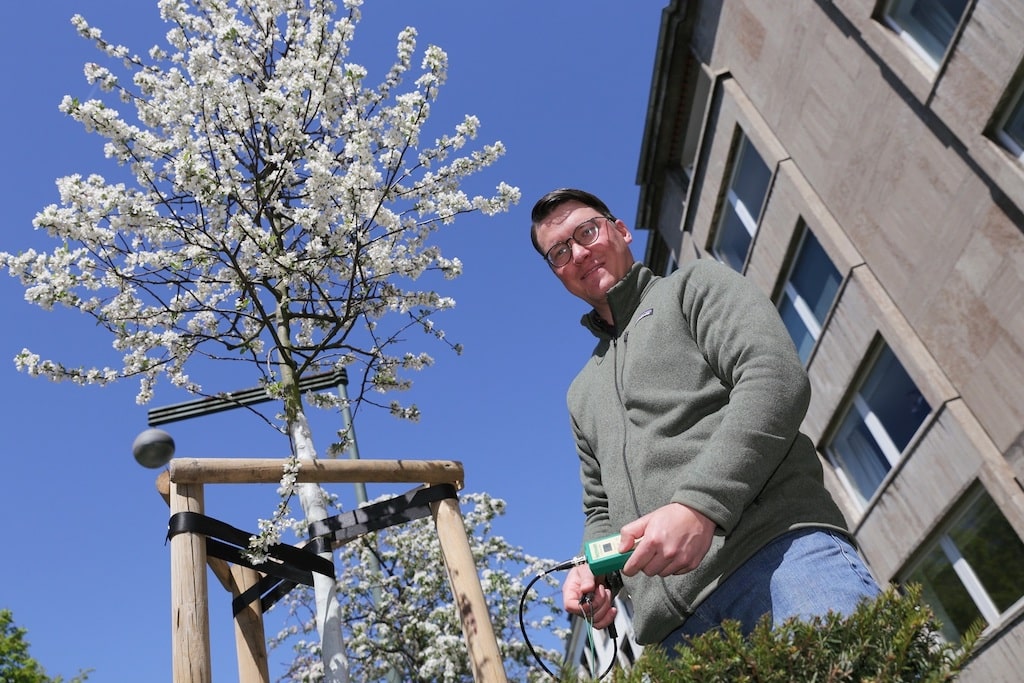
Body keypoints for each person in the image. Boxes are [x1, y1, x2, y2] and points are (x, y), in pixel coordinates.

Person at [530, 188, 881, 652]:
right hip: (675, 641)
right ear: (558, 273)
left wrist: (700, 507)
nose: (577, 251)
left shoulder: (693, 287)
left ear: (620, 230)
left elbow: (773, 377)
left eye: (587, 231)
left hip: (778, 561)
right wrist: (598, 573)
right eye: (559, 251)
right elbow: (600, 508)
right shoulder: (581, 392)